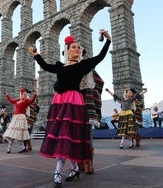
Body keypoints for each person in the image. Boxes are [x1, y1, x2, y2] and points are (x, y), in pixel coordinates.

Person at [29, 29, 111, 187]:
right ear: (67, 50)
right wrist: (36, 55)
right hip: (59, 101)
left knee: (67, 135)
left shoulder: (83, 65)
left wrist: (108, 40)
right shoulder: (60, 66)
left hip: (74, 101)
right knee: (62, 136)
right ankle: (74, 169)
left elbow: (100, 57)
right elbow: (45, 66)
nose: (77, 49)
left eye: (79, 48)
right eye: (74, 47)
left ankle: (58, 173)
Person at [3, 88, 37, 154]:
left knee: (17, 133)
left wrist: (35, 94)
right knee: (13, 133)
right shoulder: (17, 100)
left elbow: (32, 101)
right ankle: (20, 148)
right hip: (15, 118)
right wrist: (7, 95)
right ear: (21, 95)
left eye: (26, 94)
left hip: (21, 118)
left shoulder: (26, 101)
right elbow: (11, 101)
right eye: (24, 94)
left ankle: (9, 148)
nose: (25, 95)